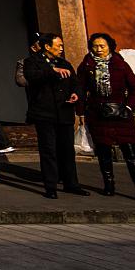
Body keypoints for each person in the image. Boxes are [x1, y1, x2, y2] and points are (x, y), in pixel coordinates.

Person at [77, 32, 135, 199]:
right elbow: (80, 90)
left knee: (131, 154)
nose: (99, 49)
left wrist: (129, 107)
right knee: (104, 153)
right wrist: (80, 112)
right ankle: (109, 185)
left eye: (102, 46)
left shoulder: (120, 65)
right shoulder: (86, 66)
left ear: (110, 46)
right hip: (98, 114)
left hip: (121, 115)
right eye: (95, 46)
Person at [23, 33, 88, 199]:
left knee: (67, 150)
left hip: (64, 111)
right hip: (44, 113)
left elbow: (76, 83)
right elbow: (33, 77)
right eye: (58, 45)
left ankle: (71, 183)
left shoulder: (64, 62)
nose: (61, 48)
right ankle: (50, 186)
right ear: (47, 47)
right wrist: (52, 71)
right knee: (48, 150)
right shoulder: (32, 62)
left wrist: (75, 94)